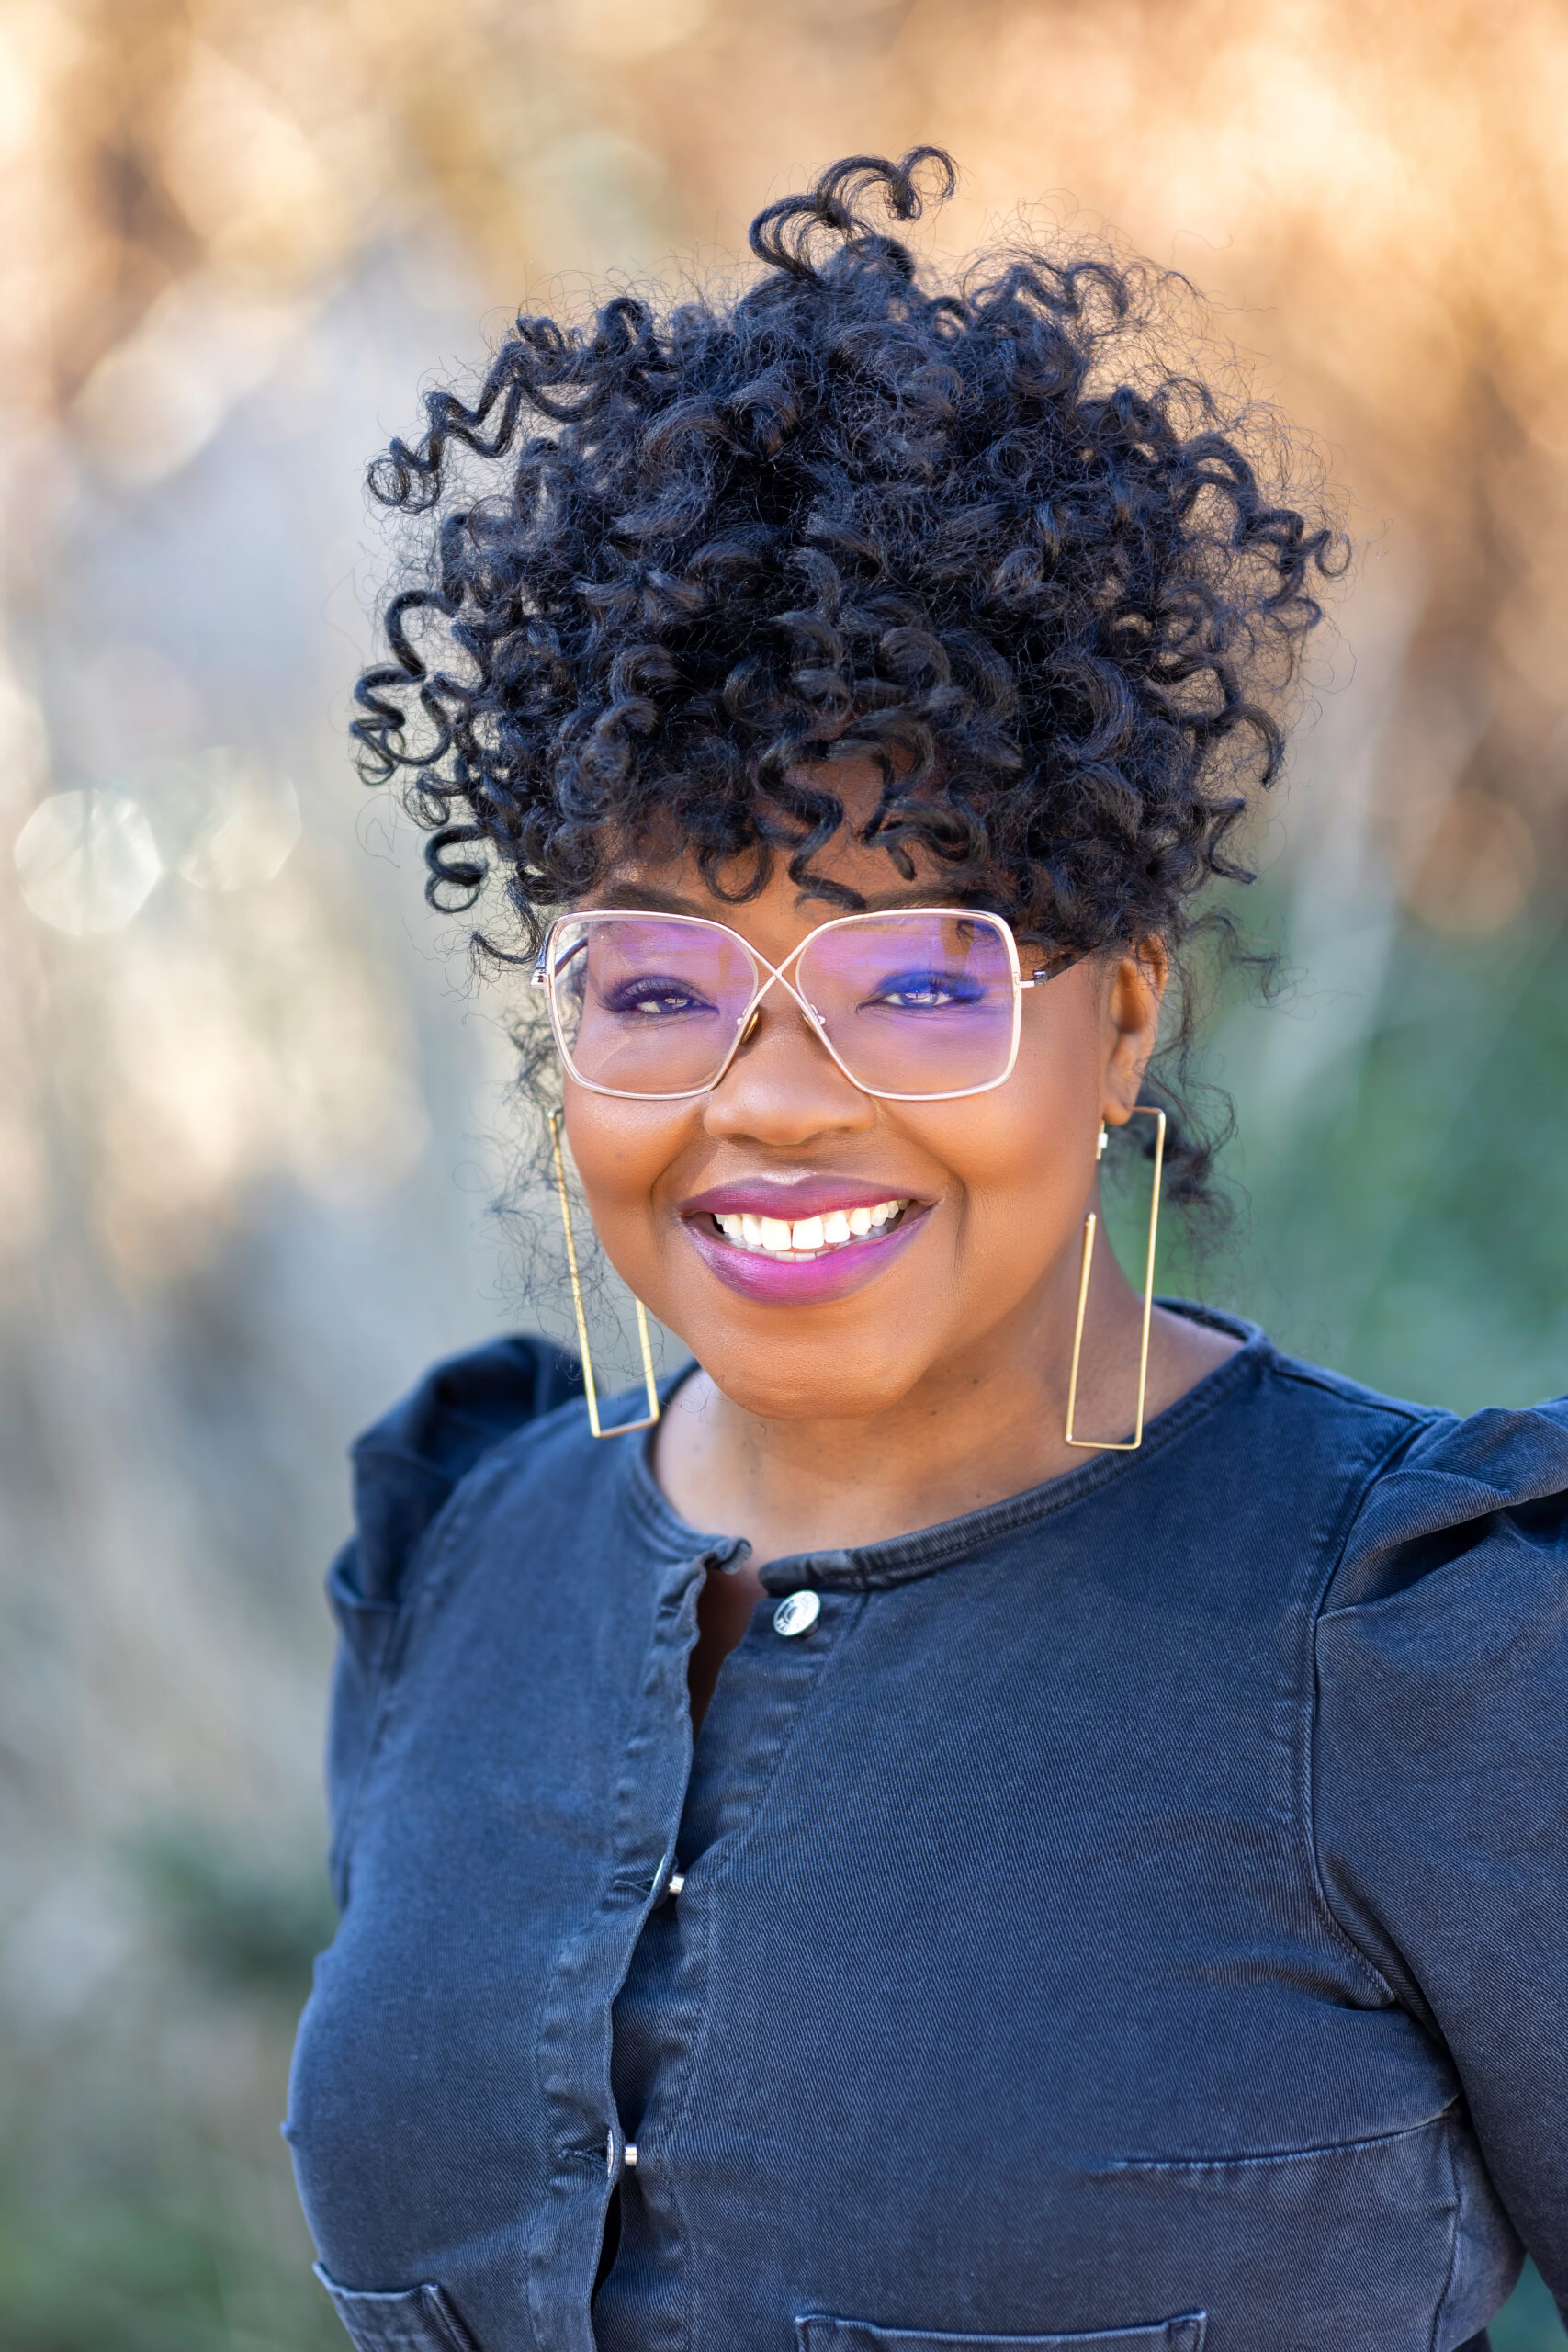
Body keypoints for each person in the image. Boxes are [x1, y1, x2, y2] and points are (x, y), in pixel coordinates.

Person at [284, 152, 1568, 2352]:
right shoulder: (459, 1559)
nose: (770, 1095)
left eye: (912, 975)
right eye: (659, 981)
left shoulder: (1422, 1644)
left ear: (1122, 1009)